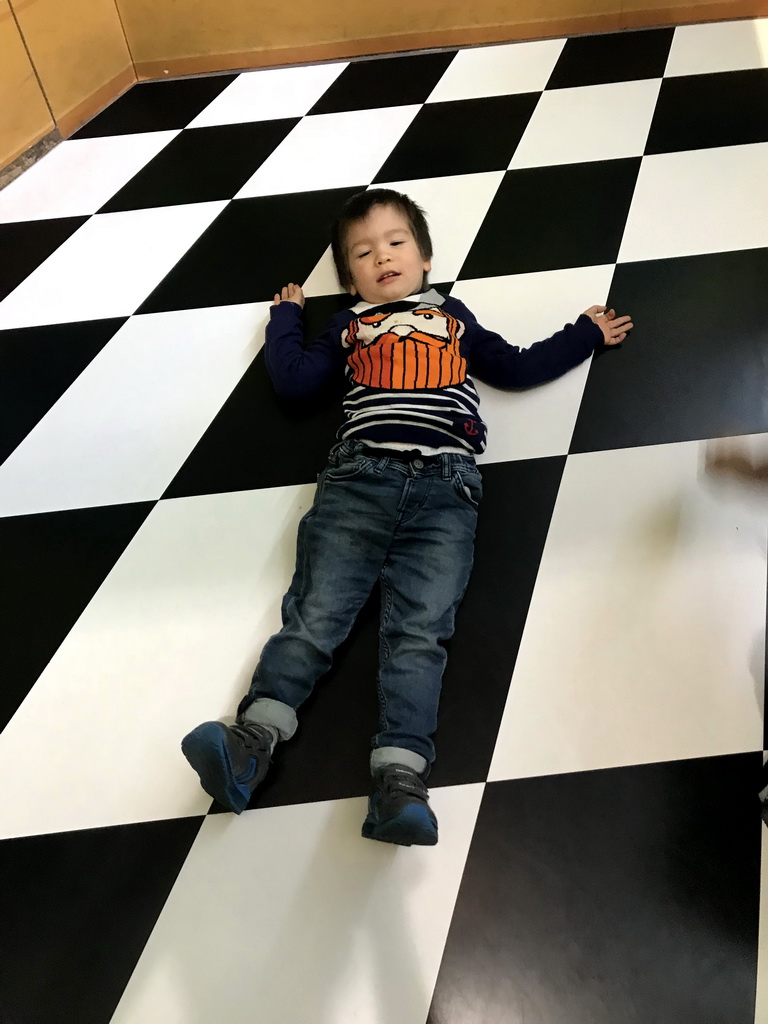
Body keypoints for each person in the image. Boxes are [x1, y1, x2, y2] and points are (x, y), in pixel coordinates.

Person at [181, 188, 634, 846]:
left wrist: (583, 335)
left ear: (425, 258)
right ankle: (251, 743)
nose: (381, 257)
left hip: (448, 488)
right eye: (362, 253)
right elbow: (296, 383)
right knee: (316, 615)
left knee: (420, 634)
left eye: (396, 243)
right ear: (351, 279)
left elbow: (513, 364)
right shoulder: (351, 326)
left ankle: (401, 779)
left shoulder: (451, 316)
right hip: (359, 477)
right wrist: (287, 321)